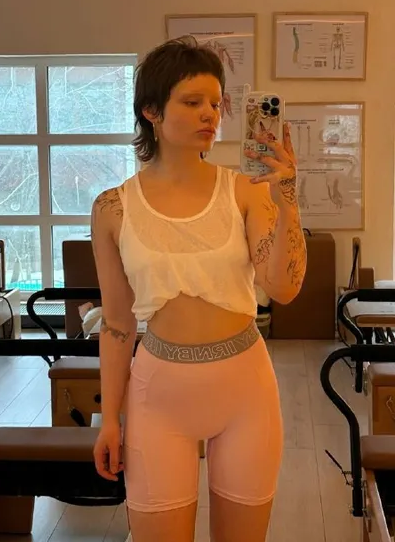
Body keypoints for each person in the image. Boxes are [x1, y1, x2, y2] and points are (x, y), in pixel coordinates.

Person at [91, 36, 307, 542]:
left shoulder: (247, 191)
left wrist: (287, 200)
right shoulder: (112, 208)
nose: (210, 113)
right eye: (192, 102)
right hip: (157, 395)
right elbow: (118, 325)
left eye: (215, 102)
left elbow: (284, 288)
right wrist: (109, 419)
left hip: (245, 389)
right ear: (151, 111)